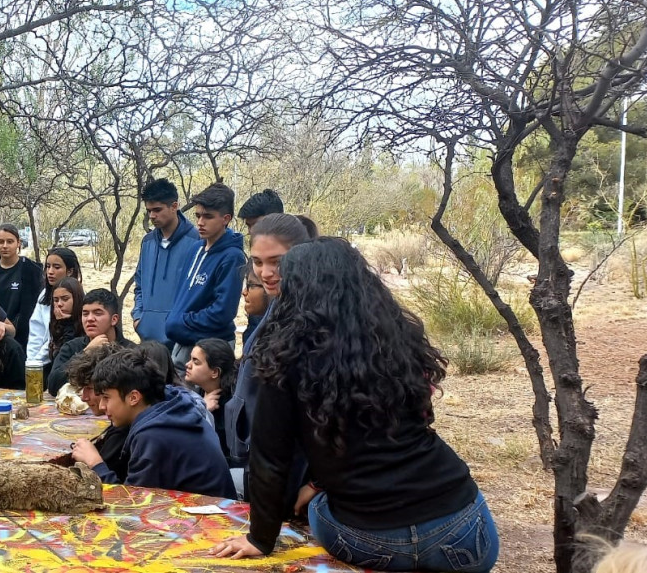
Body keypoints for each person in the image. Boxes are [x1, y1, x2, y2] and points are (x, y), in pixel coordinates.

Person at [211, 238, 499, 573]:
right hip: (463, 524)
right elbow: (413, 423)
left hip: (371, 537)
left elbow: (270, 458)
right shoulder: (397, 340)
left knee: (317, 507)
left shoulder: (285, 358)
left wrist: (260, 539)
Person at [71, 347, 236, 499]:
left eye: (106, 398)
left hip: (207, 522)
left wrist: (95, 463)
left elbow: (131, 503)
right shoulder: (172, 404)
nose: (102, 406)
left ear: (134, 397)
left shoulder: (154, 435)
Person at [224, 213, 313, 495]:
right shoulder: (278, 303)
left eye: (277, 261)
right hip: (263, 454)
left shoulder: (310, 313)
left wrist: (317, 482)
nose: (265, 273)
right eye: (258, 262)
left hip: (292, 462)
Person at [165, 183, 245, 374]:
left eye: (208, 216)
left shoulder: (232, 257)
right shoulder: (196, 249)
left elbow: (223, 311)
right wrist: (174, 319)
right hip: (182, 343)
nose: (200, 222)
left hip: (209, 349)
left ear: (226, 219)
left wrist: (181, 322)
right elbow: (183, 296)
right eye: (198, 216)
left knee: (201, 402)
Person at [132, 178, 200, 349]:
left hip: (181, 340)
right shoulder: (147, 242)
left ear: (174, 206)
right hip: (147, 338)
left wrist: (183, 323)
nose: (152, 216)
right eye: (149, 210)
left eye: (157, 210)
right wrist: (138, 316)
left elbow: (200, 291)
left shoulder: (197, 242)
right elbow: (139, 284)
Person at [46, 288, 135, 395]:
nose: (90, 319)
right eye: (85, 314)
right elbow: (53, 385)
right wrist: (85, 354)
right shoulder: (72, 347)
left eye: (97, 313)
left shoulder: (130, 351)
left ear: (114, 319)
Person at [62, 340, 128, 481]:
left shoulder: (125, 432)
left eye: (91, 389)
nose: (84, 398)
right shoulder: (119, 423)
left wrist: (93, 461)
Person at [0, 224, 42, 349]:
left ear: (18, 243)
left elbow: (32, 310)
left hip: (23, 340)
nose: (5, 246)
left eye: (10, 241)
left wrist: (10, 328)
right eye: (0, 241)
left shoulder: (32, 271)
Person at [26, 247, 82, 369]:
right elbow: (36, 332)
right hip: (40, 363)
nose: (50, 272)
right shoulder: (44, 295)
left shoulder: (79, 298)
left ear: (70, 271)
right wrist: (32, 361)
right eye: (48, 266)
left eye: (57, 267)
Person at [184, 338, 237, 463]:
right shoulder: (195, 395)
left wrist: (202, 413)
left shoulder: (232, 404)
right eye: (190, 358)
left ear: (214, 372)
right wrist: (203, 409)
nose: (187, 364)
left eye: (196, 362)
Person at [45, 276, 85, 378]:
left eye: (65, 299)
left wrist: (67, 324)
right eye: (56, 300)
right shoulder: (57, 324)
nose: (59, 304)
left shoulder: (87, 325)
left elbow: (70, 356)